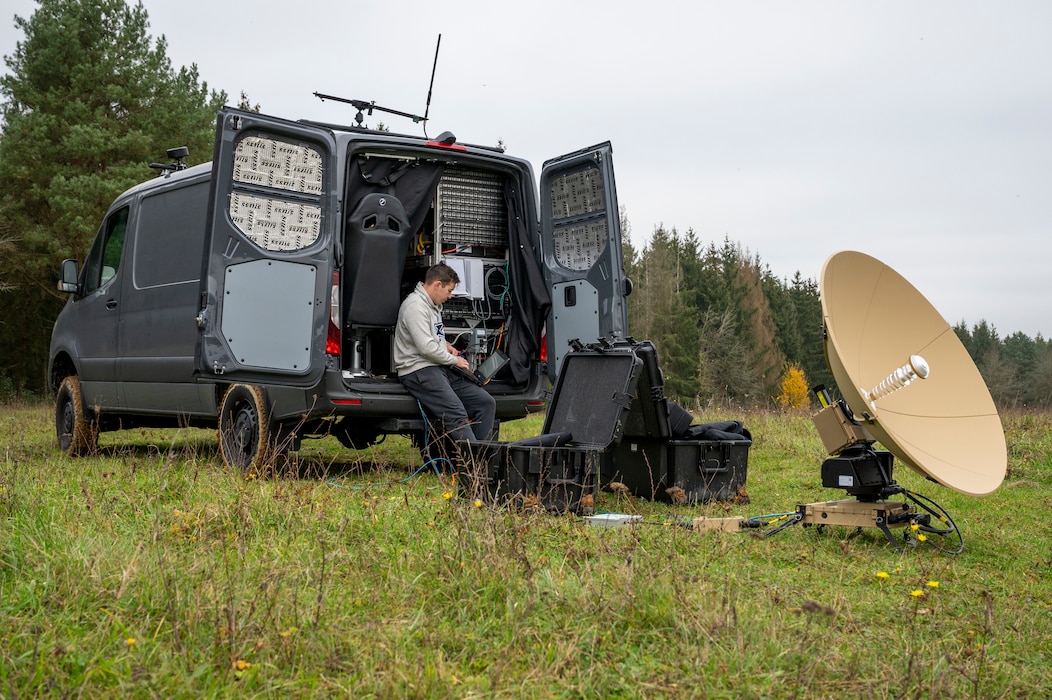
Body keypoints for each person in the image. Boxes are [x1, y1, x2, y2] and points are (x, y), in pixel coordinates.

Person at [394, 262, 496, 443]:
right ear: (437, 285)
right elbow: (426, 348)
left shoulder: (432, 306)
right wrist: (454, 360)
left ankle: (483, 459)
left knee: (485, 403)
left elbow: (430, 337)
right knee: (455, 411)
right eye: (449, 291)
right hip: (419, 370)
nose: (450, 296)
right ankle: (471, 466)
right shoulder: (415, 307)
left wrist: (445, 344)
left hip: (437, 365)